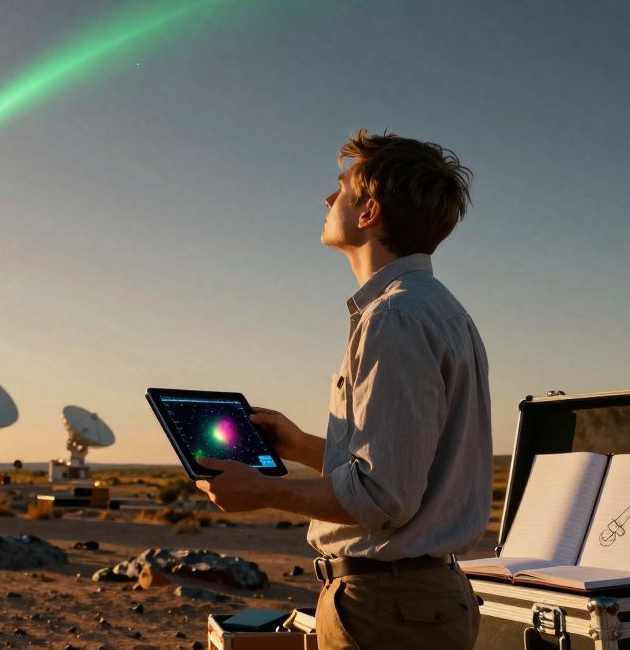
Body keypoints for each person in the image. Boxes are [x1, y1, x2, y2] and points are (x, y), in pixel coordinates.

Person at [194, 129, 490, 649]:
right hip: (410, 603)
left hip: (387, 610)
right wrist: (302, 446)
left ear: (369, 212)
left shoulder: (394, 317)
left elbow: (382, 498)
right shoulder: (437, 309)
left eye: (342, 188)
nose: (327, 199)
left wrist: (263, 492)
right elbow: (405, 471)